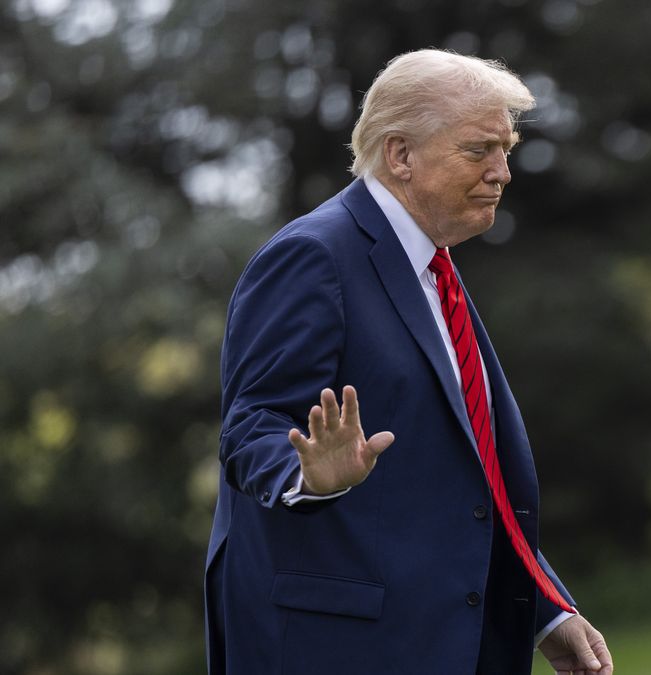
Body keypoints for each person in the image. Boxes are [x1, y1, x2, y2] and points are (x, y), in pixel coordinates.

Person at [204, 49, 614, 675]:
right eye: (479, 150)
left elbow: (468, 481)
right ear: (400, 155)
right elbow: (251, 424)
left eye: (505, 148)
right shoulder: (314, 256)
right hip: (339, 651)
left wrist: (544, 609)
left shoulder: (430, 267)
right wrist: (309, 473)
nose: (503, 172)